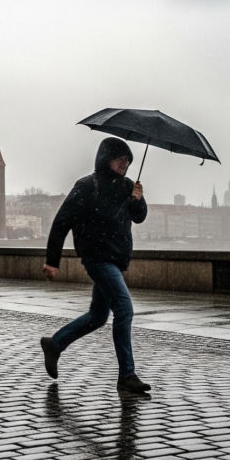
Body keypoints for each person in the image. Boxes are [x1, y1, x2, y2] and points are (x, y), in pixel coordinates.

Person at [40, 137, 151, 395]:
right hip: (97, 259)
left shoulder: (127, 187)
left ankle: (55, 344)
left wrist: (138, 199)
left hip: (117, 260)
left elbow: (139, 217)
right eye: (120, 158)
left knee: (98, 317)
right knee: (124, 308)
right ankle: (127, 374)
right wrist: (52, 260)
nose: (125, 163)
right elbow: (61, 223)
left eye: (128, 160)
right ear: (106, 158)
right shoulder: (87, 186)